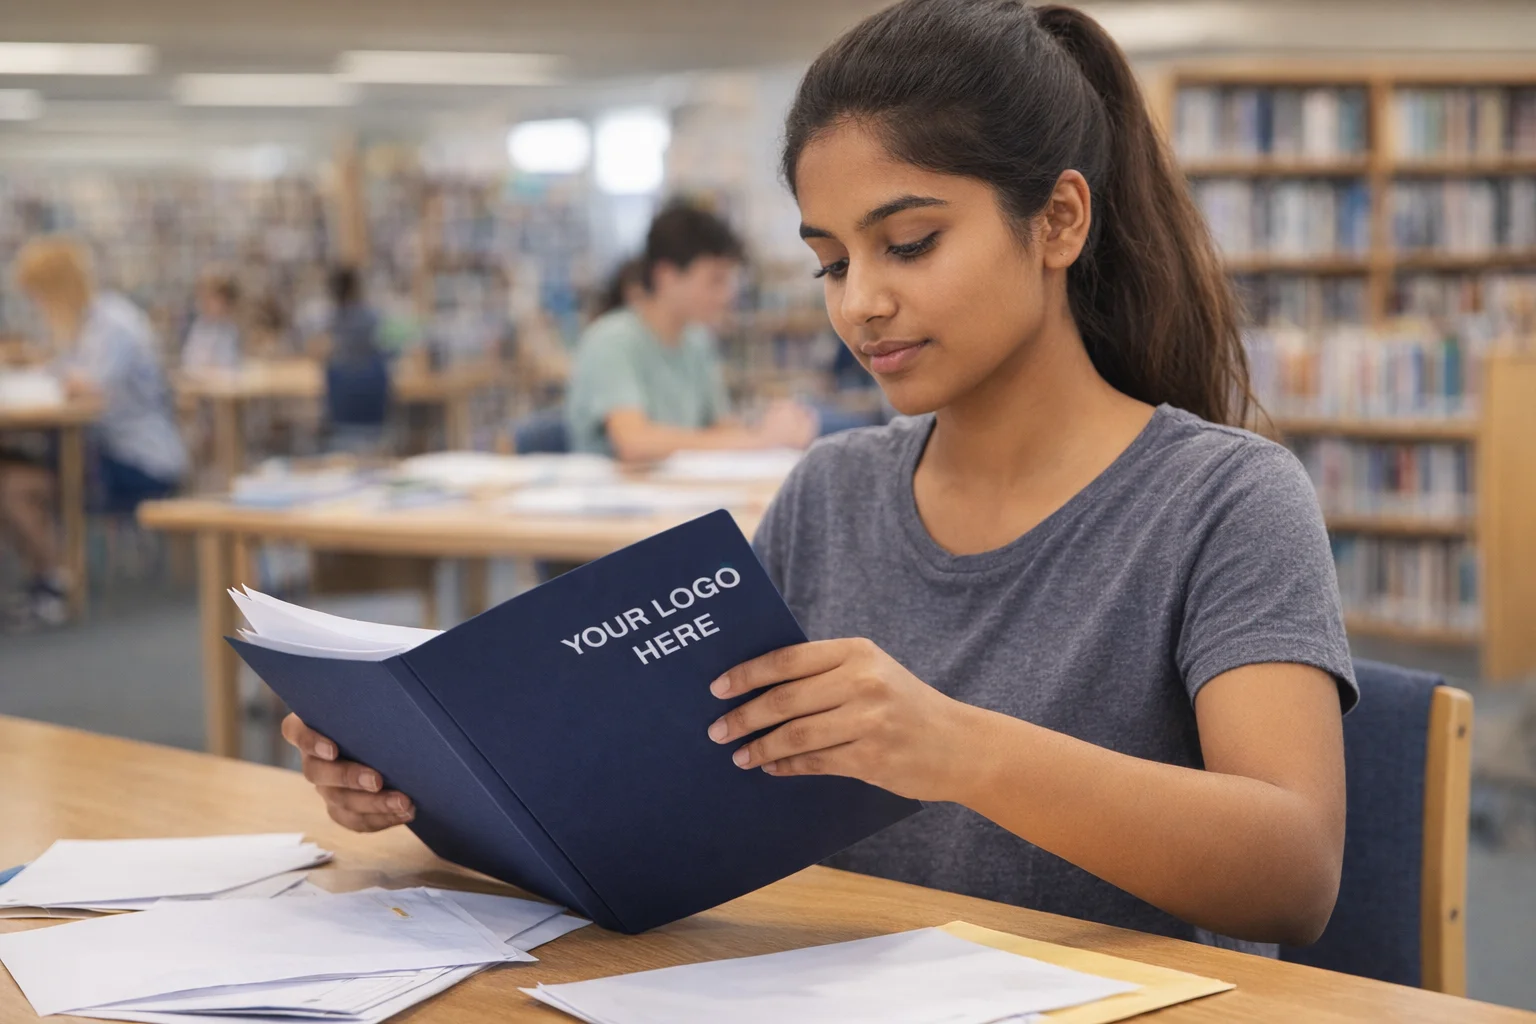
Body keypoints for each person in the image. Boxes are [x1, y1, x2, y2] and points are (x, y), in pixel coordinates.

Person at [280, 0, 1354, 955]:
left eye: (912, 243)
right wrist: (432, 787)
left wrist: (958, 747)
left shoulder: (1226, 500)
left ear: (1060, 221)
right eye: (832, 262)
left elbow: (1294, 874)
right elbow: (685, 810)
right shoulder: (830, 492)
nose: (860, 304)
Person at [3, 236, 186, 626]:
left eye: (37, 295)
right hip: (101, 451)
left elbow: (87, 390)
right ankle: (49, 578)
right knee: (10, 478)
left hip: (138, 460)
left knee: (13, 488)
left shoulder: (113, 323)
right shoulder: (85, 323)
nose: (36, 306)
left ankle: (55, 581)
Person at [564, 200, 819, 460]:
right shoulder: (611, 340)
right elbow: (633, 442)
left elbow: (722, 428)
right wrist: (758, 441)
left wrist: (775, 431)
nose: (727, 294)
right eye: (715, 280)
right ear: (667, 276)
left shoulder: (695, 341)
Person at [320, 266, 390, 454]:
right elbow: (387, 348)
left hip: (341, 415)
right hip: (373, 411)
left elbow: (321, 352)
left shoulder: (330, 321)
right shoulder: (371, 318)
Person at [181, 271, 243, 371]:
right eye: (202, 298)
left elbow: (228, 368)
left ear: (225, 302)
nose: (205, 303)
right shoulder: (199, 327)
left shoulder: (229, 330)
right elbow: (190, 363)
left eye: (211, 298)